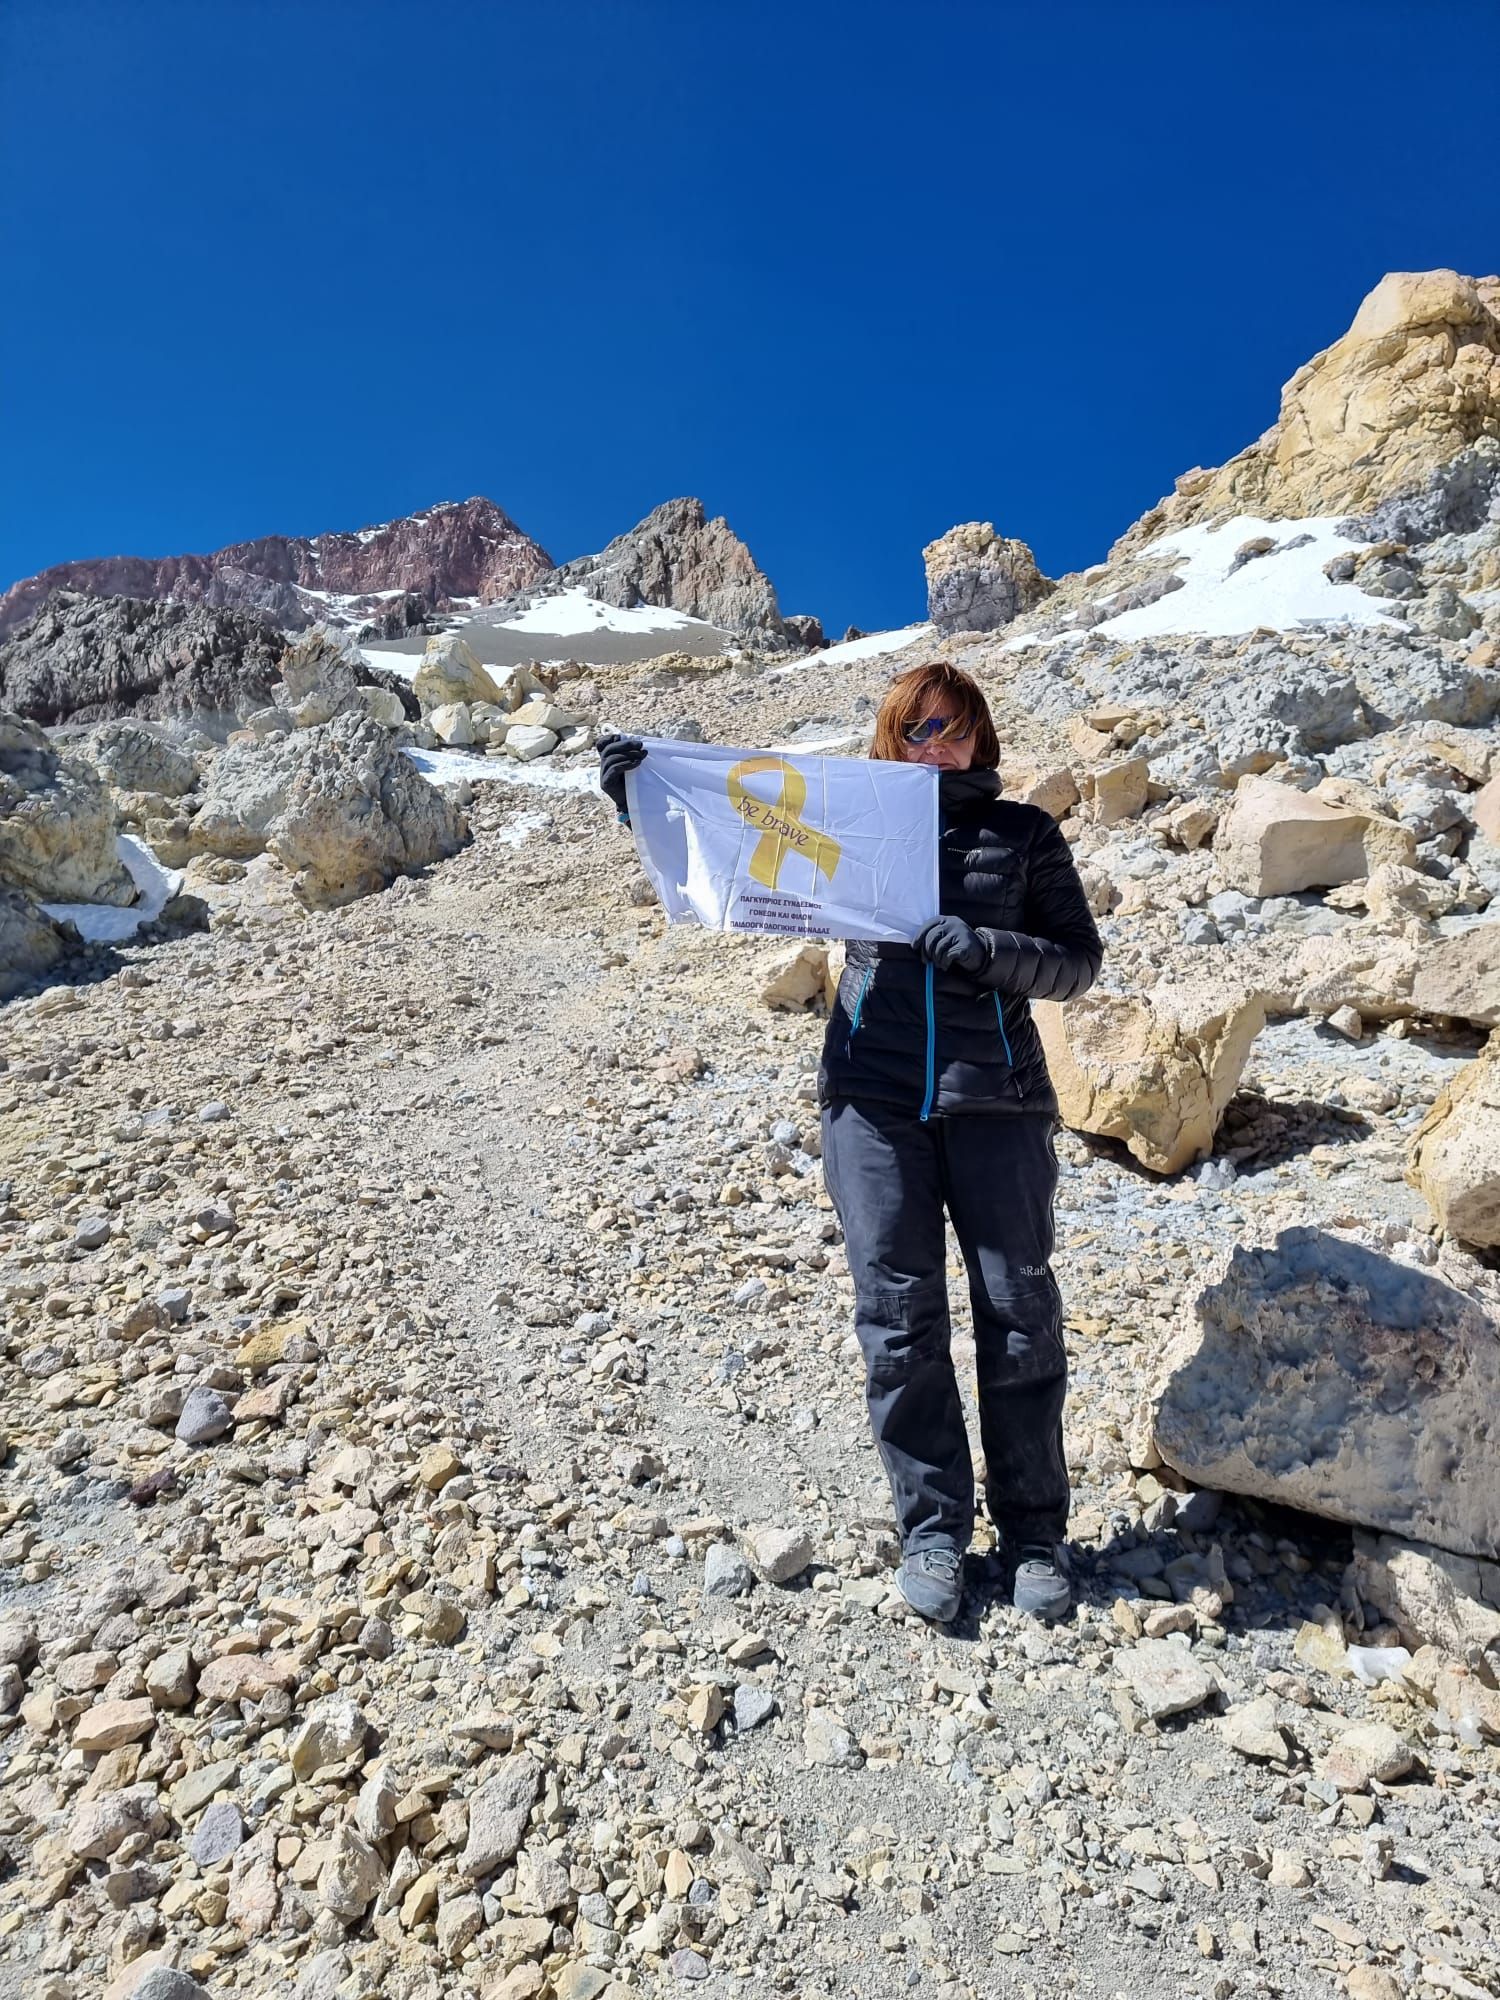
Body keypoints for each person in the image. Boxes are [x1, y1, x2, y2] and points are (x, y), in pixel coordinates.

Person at [596, 659, 1102, 1626]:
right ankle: (935, 1530)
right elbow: (745, 861)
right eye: (919, 727)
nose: (939, 741)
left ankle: (1036, 1534)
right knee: (900, 1318)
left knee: (1019, 1310)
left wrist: (990, 951)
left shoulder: (1024, 834)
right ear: (890, 736)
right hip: (871, 1103)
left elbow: (1078, 963)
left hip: (997, 1101)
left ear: (981, 735)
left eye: (956, 724)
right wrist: (644, 799)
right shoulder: (849, 823)